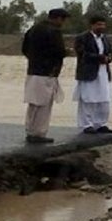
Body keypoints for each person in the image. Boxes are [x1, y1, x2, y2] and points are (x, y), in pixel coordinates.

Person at [21, 8, 70, 144]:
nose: (63, 22)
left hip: (33, 71)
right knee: (44, 105)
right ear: (58, 18)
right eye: (63, 19)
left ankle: (30, 131)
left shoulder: (33, 29)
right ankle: (39, 133)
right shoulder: (53, 31)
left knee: (33, 103)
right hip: (47, 72)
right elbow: (59, 51)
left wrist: (34, 59)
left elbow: (24, 49)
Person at [73, 16, 112, 134]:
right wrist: (99, 58)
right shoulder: (82, 38)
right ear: (92, 25)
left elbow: (111, 52)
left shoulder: (105, 38)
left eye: (103, 25)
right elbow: (82, 54)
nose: (101, 27)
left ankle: (101, 124)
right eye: (98, 24)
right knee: (88, 99)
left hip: (104, 73)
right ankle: (86, 125)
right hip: (88, 72)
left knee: (104, 99)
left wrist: (109, 58)